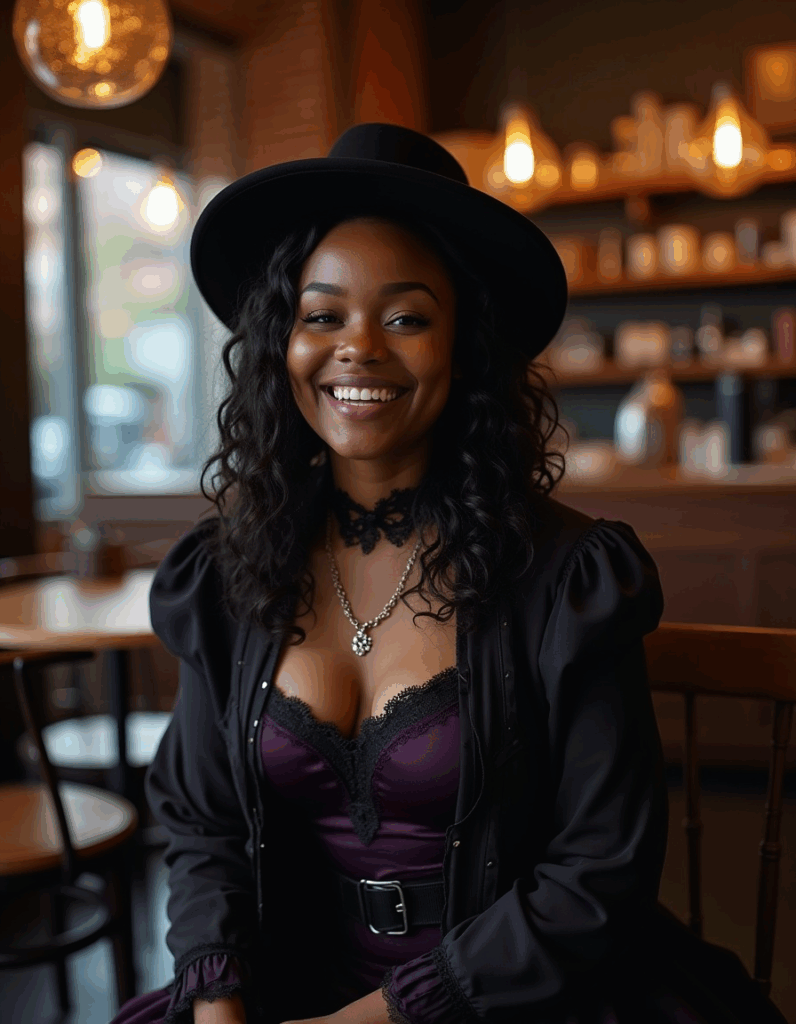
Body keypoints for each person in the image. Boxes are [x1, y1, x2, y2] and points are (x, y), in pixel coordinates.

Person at [109, 123, 787, 1024]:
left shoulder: (568, 577)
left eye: (406, 318)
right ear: (282, 342)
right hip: (281, 989)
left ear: (465, 346)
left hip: (516, 996)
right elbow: (205, 826)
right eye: (322, 315)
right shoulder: (227, 570)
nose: (359, 348)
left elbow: (598, 872)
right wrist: (219, 1002)